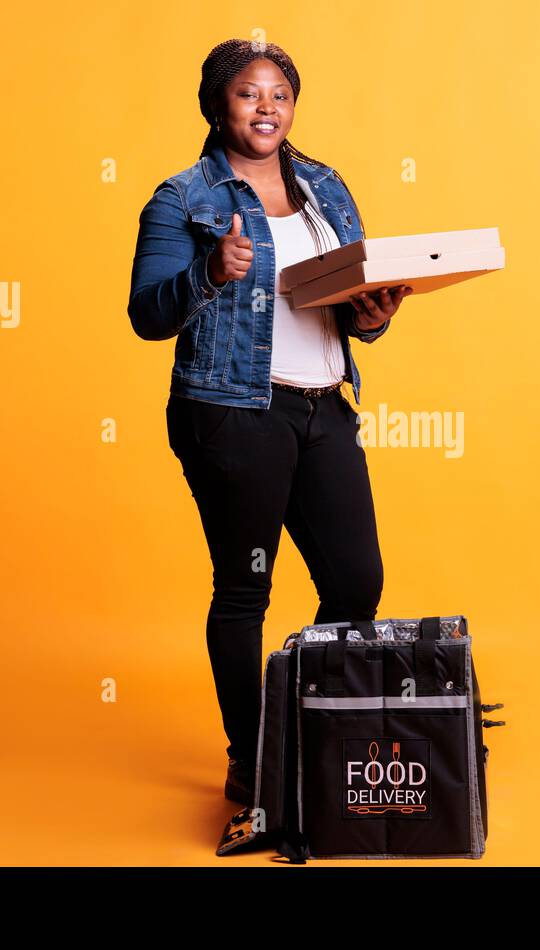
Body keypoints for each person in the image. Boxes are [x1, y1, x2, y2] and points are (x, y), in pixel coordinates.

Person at [126, 38, 410, 806]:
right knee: (246, 589)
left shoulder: (324, 186)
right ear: (219, 103)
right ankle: (253, 766)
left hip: (324, 405)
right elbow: (147, 316)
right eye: (249, 94)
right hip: (232, 411)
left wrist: (374, 318)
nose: (266, 108)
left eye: (280, 94)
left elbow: (347, 302)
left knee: (356, 583)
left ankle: (304, 737)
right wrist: (208, 271)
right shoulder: (183, 197)